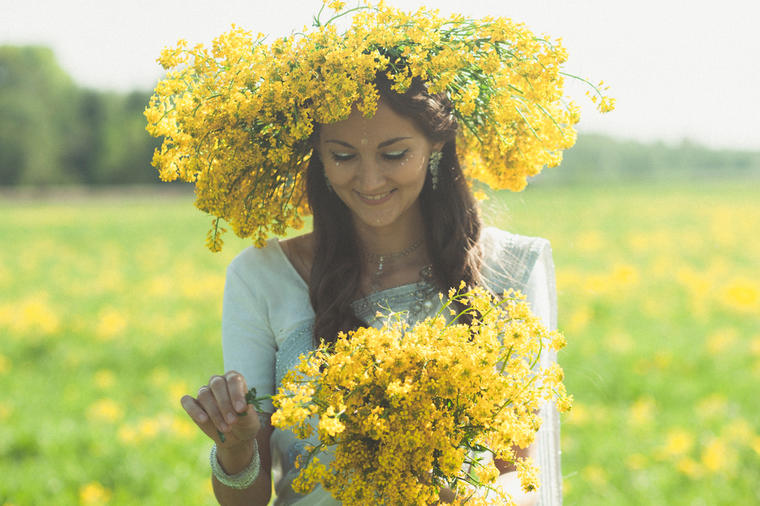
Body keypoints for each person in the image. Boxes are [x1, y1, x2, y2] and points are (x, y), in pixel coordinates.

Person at [179, 72, 562, 505]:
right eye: (343, 156)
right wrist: (235, 447)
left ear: (435, 145)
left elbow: (520, 473)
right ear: (319, 157)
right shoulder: (261, 276)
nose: (370, 180)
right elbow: (245, 501)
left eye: (394, 154)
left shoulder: (509, 267)